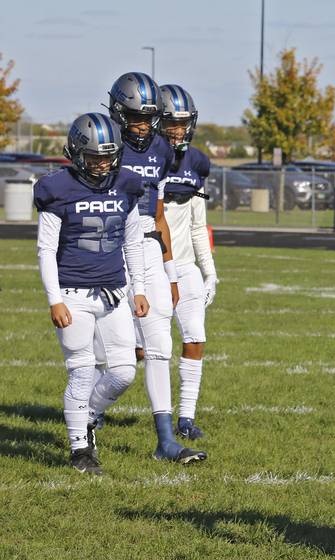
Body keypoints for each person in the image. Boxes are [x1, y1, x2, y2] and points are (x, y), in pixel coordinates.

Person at [35, 113, 149, 474]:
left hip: (114, 293)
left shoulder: (126, 185)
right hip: (72, 293)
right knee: (82, 372)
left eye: (107, 156)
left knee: (124, 373)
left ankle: (87, 416)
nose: (101, 164)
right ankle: (80, 450)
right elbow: (45, 249)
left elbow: (133, 241)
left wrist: (139, 289)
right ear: (75, 153)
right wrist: (54, 298)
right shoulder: (58, 189)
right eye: (94, 157)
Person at [103, 71, 206, 463]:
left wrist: (171, 270)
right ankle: (87, 416)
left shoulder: (161, 149)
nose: (143, 126)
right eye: (136, 117)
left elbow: (159, 211)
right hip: (115, 245)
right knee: (119, 359)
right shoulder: (108, 146)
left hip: (148, 243)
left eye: (149, 117)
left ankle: (165, 441)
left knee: (160, 345)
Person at [160, 84, 218, 440]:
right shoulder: (142, 163)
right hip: (151, 268)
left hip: (185, 266)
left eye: (183, 124)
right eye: (171, 123)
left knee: (195, 338)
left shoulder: (195, 162)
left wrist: (210, 273)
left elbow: (198, 226)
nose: (178, 130)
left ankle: (185, 417)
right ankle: (94, 409)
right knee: (139, 350)